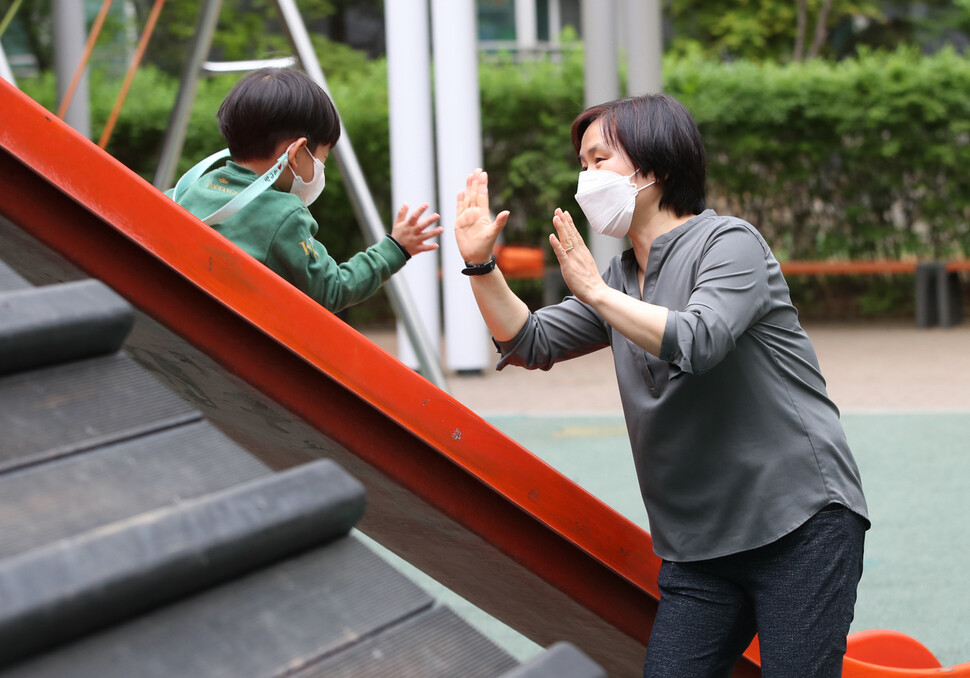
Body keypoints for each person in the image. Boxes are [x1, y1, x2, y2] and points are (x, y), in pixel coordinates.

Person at [454, 94, 869, 678]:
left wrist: (596, 293)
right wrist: (480, 266)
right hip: (698, 547)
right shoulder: (624, 278)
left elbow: (700, 340)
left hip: (798, 520)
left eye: (600, 160)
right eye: (583, 162)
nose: (586, 177)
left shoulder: (730, 244)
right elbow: (528, 342)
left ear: (657, 169)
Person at [170, 67, 441, 313]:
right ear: (297, 152)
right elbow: (331, 290)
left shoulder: (191, 187)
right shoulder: (283, 214)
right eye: (322, 159)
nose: (322, 169)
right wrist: (394, 249)